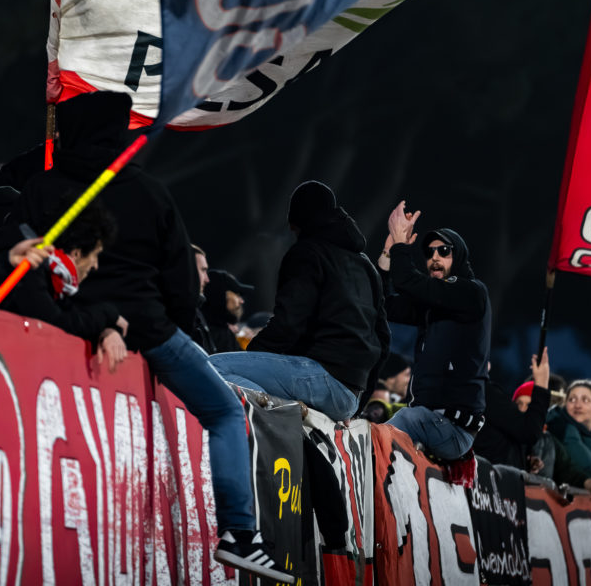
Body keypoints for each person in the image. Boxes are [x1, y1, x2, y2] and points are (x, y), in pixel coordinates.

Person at [13, 91, 292, 583]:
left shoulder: (42, 187)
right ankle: (239, 535)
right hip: (149, 329)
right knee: (226, 412)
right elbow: (182, 283)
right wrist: (173, 330)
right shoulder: (148, 191)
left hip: (63, 317)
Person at [211, 181, 389, 422]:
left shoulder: (307, 252)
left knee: (213, 367)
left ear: (298, 221)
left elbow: (287, 323)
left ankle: (273, 423)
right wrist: (358, 403)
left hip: (320, 378)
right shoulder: (367, 266)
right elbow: (382, 338)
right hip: (351, 395)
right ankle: (285, 420)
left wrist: (253, 357)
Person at [377, 202, 490, 462]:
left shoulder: (472, 292)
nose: (435, 258)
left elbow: (408, 282)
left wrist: (401, 245)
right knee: (393, 425)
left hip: (452, 428)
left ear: (458, 256)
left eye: (444, 251)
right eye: (429, 252)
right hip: (428, 420)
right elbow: (381, 305)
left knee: (387, 434)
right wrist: (387, 254)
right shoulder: (433, 304)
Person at [0, 199, 128, 372]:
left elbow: (72, 313)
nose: (95, 265)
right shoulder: (29, 265)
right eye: (95, 255)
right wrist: (108, 314)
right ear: (76, 253)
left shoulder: (52, 274)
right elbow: (55, 325)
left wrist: (107, 330)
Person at [472, 349, 551, 470]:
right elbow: (529, 431)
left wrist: (524, 459)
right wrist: (541, 384)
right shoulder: (485, 394)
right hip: (492, 478)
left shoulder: (466, 393)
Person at [201, 269, 252, 354]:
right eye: (237, 295)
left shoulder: (224, 331)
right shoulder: (206, 331)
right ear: (221, 295)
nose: (242, 301)